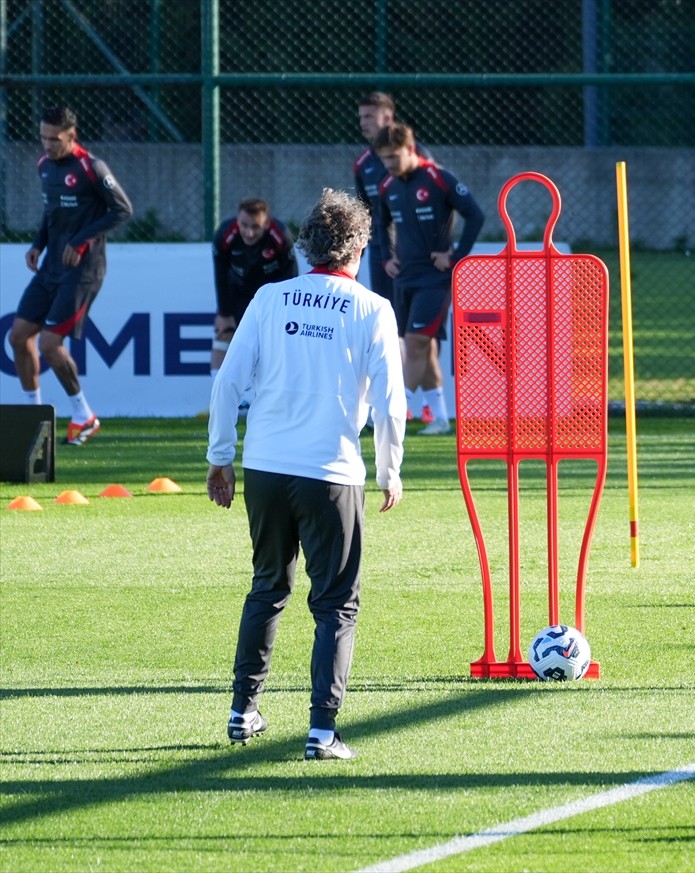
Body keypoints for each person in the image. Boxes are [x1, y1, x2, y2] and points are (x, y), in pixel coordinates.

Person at [206, 188, 406, 761]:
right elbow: (392, 403)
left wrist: (220, 457)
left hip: (266, 467)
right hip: (331, 473)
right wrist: (390, 469)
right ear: (360, 247)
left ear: (302, 246)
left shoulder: (270, 298)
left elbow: (227, 382)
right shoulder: (372, 308)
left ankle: (243, 711)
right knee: (337, 604)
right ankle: (322, 730)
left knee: (268, 587)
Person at [8, 105, 133, 445]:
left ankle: (84, 416)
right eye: (43, 138)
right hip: (51, 266)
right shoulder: (44, 165)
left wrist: (80, 240)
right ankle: (33, 414)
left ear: (71, 136)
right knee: (19, 337)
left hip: (84, 270)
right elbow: (52, 211)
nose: (47, 145)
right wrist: (37, 244)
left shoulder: (91, 167)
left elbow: (122, 208)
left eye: (55, 139)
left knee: (50, 343)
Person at [374, 122, 484, 435]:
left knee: (417, 343)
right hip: (404, 277)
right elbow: (380, 224)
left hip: (435, 279)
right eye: (384, 159)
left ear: (410, 149)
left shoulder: (438, 178)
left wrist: (456, 256)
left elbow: (475, 215)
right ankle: (439, 418)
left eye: (394, 157)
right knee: (425, 349)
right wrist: (386, 258)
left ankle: (394, 412)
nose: (389, 165)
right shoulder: (387, 187)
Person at [354, 93, 437, 423]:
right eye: (361, 117)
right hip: (381, 257)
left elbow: (439, 205)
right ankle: (394, 404)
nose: (363, 123)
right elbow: (366, 214)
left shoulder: (418, 157)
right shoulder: (363, 164)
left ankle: (425, 406)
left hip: (418, 259)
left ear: (388, 118)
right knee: (388, 328)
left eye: (369, 117)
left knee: (422, 331)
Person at [209, 197, 297, 387]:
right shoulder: (224, 235)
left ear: (266, 224)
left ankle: (266, 394)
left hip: (272, 296)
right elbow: (220, 275)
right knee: (224, 333)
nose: (249, 233)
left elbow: (291, 276)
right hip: (238, 291)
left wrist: (286, 312)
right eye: (244, 225)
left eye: (255, 227)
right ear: (237, 221)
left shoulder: (280, 236)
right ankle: (216, 391)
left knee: (274, 343)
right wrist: (224, 313)